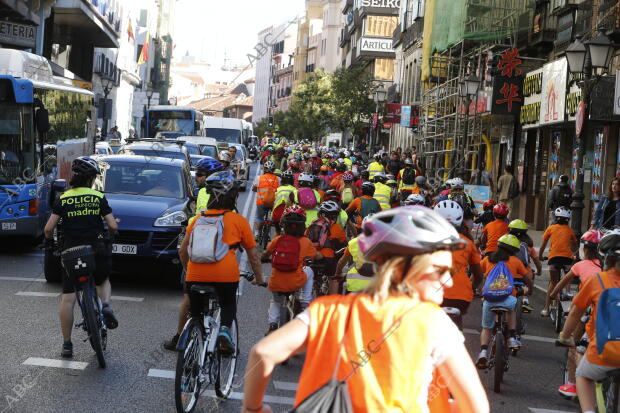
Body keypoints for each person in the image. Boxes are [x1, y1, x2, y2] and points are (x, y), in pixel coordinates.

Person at [242, 206, 489, 413]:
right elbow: (475, 406)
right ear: (403, 269)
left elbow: (263, 353)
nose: (446, 281)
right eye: (438, 271)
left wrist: (253, 408)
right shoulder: (433, 323)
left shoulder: (329, 312)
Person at [178, 171, 265, 354]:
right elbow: (253, 256)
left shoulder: (197, 220)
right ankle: (225, 329)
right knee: (228, 304)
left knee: (195, 314)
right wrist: (259, 278)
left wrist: (189, 270)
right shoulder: (238, 221)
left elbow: (182, 251)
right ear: (233, 196)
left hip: (195, 275)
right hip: (225, 276)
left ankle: (192, 340)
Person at [43, 156, 119, 358]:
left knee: (68, 299)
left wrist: (50, 242)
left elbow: (48, 228)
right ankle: (105, 306)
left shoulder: (64, 198)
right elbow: (112, 225)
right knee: (102, 280)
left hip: (71, 253)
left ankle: (67, 345)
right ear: (92, 178)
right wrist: (111, 236)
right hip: (95, 249)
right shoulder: (97, 196)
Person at [556, 230, 620, 413]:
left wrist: (564, 336)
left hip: (604, 351)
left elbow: (576, 312)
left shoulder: (597, 280)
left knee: (583, 375)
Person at [551, 229, 603, 398]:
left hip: (589, 308)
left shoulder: (580, 265)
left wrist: (552, 296)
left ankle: (572, 384)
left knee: (574, 345)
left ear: (584, 249)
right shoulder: (606, 268)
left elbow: (562, 283)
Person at [476, 234, 533, 368]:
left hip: (489, 299)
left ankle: (483, 352)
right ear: (514, 250)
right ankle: (512, 337)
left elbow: (477, 274)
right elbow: (527, 278)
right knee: (511, 308)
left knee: (487, 328)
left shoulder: (488, 259)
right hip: (508, 299)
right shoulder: (515, 261)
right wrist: (529, 289)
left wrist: (478, 289)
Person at [262, 206, 322, 333]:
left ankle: (272, 325)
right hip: (296, 281)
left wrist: (265, 258)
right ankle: (306, 302)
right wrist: (322, 258)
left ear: (284, 225)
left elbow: (265, 254)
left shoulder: (277, 240)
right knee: (309, 271)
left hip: (277, 282)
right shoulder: (306, 242)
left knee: (276, 302)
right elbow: (317, 256)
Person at [434, 200, 483, 329]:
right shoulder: (468, 242)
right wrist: (471, 289)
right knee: (457, 320)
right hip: (462, 297)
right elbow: (478, 276)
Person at [539, 206, 578, 317]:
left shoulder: (551, 228)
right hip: (567, 258)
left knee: (553, 282)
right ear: (568, 220)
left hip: (554, 258)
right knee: (567, 277)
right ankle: (567, 293)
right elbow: (575, 246)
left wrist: (540, 256)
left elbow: (543, 245)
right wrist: (576, 255)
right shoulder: (570, 231)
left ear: (556, 218)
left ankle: (546, 309)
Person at [507, 219, 542, 313]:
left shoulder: (506, 244)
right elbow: (537, 262)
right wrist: (539, 271)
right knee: (530, 276)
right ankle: (525, 301)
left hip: (509, 275)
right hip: (524, 276)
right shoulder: (528, 247)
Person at [307, 201, 347, 281]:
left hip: (312, 257)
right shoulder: (337, 228)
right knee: (333, 279)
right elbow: (344, 244)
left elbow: (306, 238)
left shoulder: (313, 224)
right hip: (328, 259)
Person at [252, 161, 279, 238]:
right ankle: (269, 234)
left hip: (261, 202)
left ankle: (256, 234)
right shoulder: (278, 179)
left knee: (258, 217)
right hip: (273, 203)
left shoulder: (259, 178)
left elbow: (254, 189)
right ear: (274, 170)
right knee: (271, 218)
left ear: (264, 169)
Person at [271, 170, 297, 236]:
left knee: (277, 231)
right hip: (289, 215)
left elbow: (274, 202)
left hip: (277, 214)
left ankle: (274, 244)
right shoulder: (294, 189)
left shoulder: (278, 189)